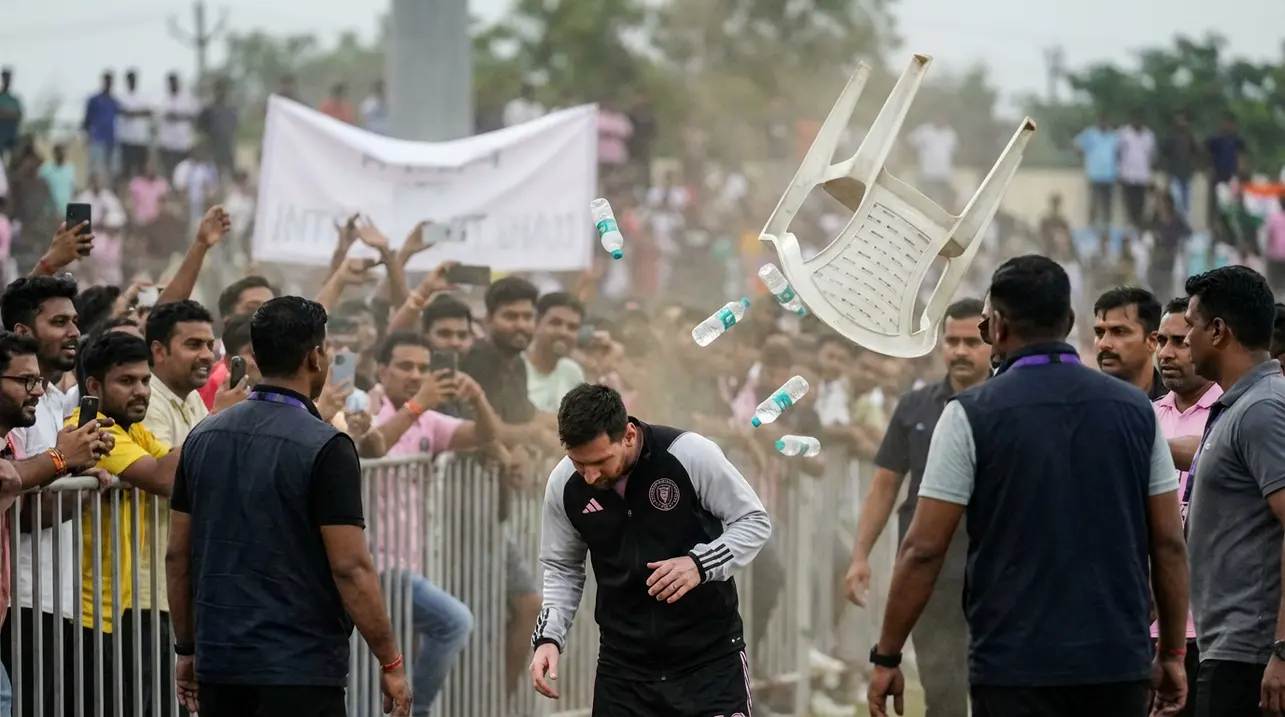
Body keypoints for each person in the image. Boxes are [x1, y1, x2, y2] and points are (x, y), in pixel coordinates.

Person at [867, 255, 1190, 717]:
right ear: (1071, 321)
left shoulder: (969, 414)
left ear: (997, 326)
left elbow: (922, 549)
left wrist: (887, 656)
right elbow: (1169, 543)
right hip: (1116, 661)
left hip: (1013, 664)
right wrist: (1172, 654)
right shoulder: (1137, 411)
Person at [166, 296, 411, 716]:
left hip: (220, 663)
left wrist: (186, 650)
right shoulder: (327, 445)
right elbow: (351, 567)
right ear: (315, 357)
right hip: (300, 668)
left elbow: (177, 555)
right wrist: (390, 661)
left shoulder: (202, 436)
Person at [530, 383, 771, 716]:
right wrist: (549, 637)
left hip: (709, 663)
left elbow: (753, 521)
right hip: (624, 672)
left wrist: (699, 564)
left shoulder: (688, 453)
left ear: (628, 435)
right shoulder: (563, 484)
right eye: (578, 463)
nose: (589, 476)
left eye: (600, 461)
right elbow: (562, 567)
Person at [844, 298, 990, 717]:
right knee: (941, 688)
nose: (960, 351)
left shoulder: (1008, 405)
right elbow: (885, 484)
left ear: (992, 340)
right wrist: (860, 555)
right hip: (930, 571)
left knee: (993, 686)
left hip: (993, 568)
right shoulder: (915, 406)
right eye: (952, 341)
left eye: (971, 342)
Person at [1181, 266, 1285, 717]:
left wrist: (1283, 649)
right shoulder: (1240, 405)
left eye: (1191, 325)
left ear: (1219, 331)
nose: (1186, 338)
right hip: (1228, 649)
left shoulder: (1264, 407)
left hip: (1251, 657)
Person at [0, 330, 107, 716]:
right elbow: (8, 479)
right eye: (25, 381)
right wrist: (61, 457)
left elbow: (22, 476)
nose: (37, 391)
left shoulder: (11, 443)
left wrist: (72, 465)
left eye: (39, 380)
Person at [1151, 296, 1222, 717]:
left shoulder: (1230, 411)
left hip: (1210, 631)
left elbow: (1212, 452)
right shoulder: (1146, 414)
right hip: (1149, 627)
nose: (1166, 353)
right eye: (1161, 341)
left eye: (1179, 341)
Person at [1093, 286, 1166, 400]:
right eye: (1100, 333)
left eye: (1119, 332)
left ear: (1152, 341)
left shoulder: (1179, 404)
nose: (1103, 344)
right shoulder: (1079, 402)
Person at [525, 292, 587, 412]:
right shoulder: (515, 369)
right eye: (555, 323)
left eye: (572, 327)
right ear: (536, 324)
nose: (563, 332)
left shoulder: (572, 372)